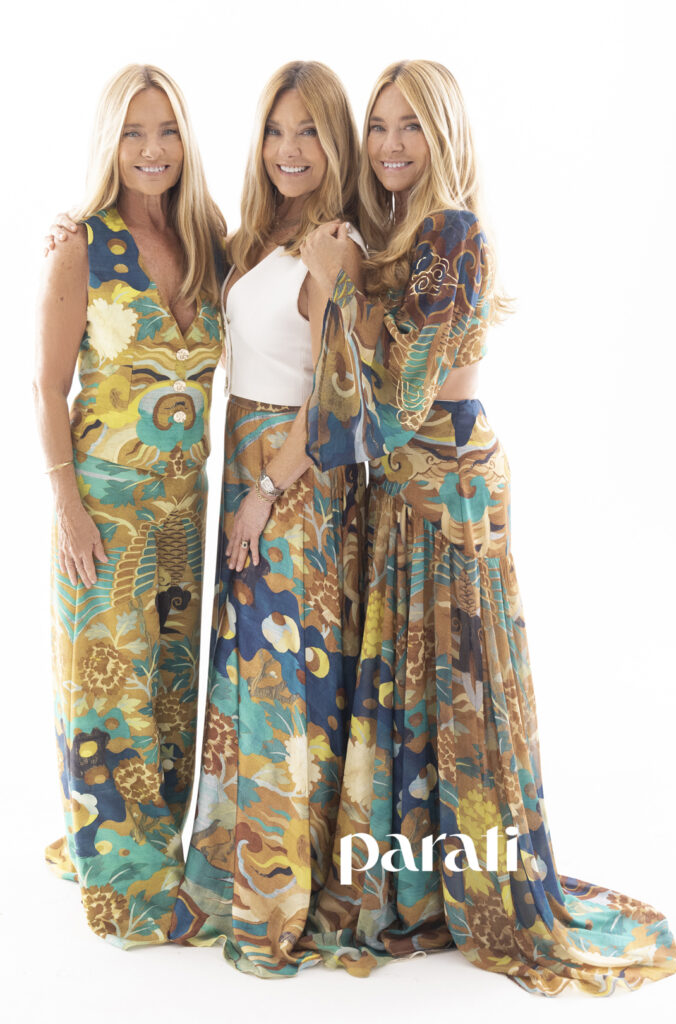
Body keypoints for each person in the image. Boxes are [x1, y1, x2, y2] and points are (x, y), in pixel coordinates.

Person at [299, 60, 676, 995]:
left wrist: (341, 283)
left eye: (411, 126)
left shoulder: (452, 232)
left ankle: (467, 888)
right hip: (405, 494)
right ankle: (415, 884)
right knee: (412, 685)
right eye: (378, 125)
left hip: (447, 497)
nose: (390, 143)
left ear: (445, 136)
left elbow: (399, 400)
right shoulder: (401, 230)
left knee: (457, 687)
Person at [167, 62, 368, 976]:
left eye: (308, 131)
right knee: (249, 674)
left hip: (291, 483)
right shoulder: (254, 235)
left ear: (335, 143)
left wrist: (264, 491)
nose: (289, 149)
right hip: (246, 468)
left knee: (283, 681)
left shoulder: (332, 243)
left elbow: (333, 395)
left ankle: (276, 898)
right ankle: (233, 870)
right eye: (276, 131)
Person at [34, 63, 226, 946]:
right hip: (105, 514)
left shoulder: (210, 239)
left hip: (184, 513)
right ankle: (124, 887)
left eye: (168, 130)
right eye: (134, 132)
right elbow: (46, 387)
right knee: (107, 698)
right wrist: (67, 506)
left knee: (171, 696)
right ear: (110, 143)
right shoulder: (82, 245)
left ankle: (160, 854)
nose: (153, 149)